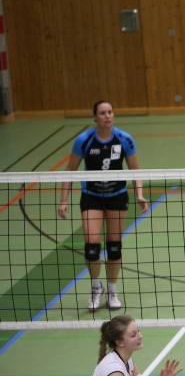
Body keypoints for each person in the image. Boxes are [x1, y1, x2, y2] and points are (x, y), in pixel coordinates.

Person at [58, 100, 149, 311]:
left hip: (117, 196)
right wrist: (63, 200)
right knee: (92, 247)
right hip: (92, 197)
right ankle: (96, 286)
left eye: (110, 112)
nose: (107, 116)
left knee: (114, 247)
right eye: (102, 113)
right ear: (95, 117)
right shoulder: (84, 140)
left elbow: (135, 170)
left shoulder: (124, 139)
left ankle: (112, 290)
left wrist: (140, 194)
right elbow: (70, 170)